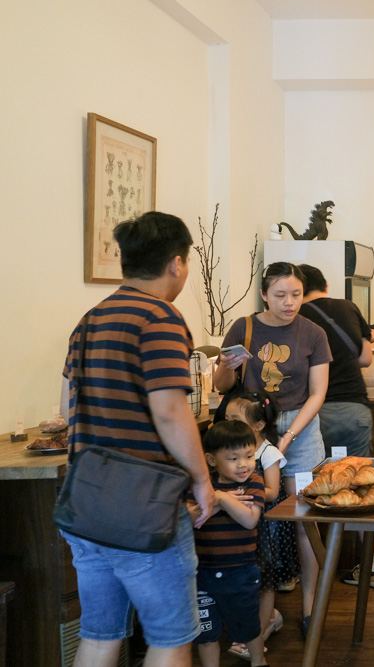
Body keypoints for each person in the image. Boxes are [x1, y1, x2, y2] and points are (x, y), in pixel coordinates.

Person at [58, 211, 215, 667]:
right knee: (170, 638)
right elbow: (170, 410)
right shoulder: (160, 318)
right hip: (143, 509)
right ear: (177, 264)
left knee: (100, 635)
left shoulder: (90, 319)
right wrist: (202, 480)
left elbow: (70, 408)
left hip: (85, 503)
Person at [213, 262, 331, 637]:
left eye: (296, 294)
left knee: (304, 519)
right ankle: (262, 612)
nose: (290, 302)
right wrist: (227, 367)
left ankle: (311, 603)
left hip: (301, 429)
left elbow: (318, 393)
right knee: (254, 513)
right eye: (280, 295)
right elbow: (221, 385)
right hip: (251, 429)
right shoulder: (243, 327)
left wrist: (289, 436)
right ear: (264, 294)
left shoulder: (313, 332)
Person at [297, 264, 374, 589]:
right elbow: (365, 359)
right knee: (363, 487)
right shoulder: (348, 307)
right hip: (353, 409)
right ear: (326, 284)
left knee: (310, 488)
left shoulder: (294, 318)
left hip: (312, 414)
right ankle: (373, 569)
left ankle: (310, 572)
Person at [188, 420, 267, 667]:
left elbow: (250, 519)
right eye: (233, 458)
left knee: (248, 626)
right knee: (206, 633)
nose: (243, 464)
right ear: (212, 460)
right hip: (202, 573)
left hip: (240, 570)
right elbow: (191, 520)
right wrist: (221, 501)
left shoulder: (254, 481)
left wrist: (218, 497)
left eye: (249, 455)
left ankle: (258, 661)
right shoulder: (200, 484)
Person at [223, 393, 288, 660]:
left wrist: (250, 488)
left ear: (259, 425)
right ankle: (254, 628)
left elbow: (273, 491)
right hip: (240, 525)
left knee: (266, 581)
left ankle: (258, 634)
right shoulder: (229, 451)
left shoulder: (268, 452)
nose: (229, 425)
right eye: (226, 419)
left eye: (235, 420)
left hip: (265, 527)